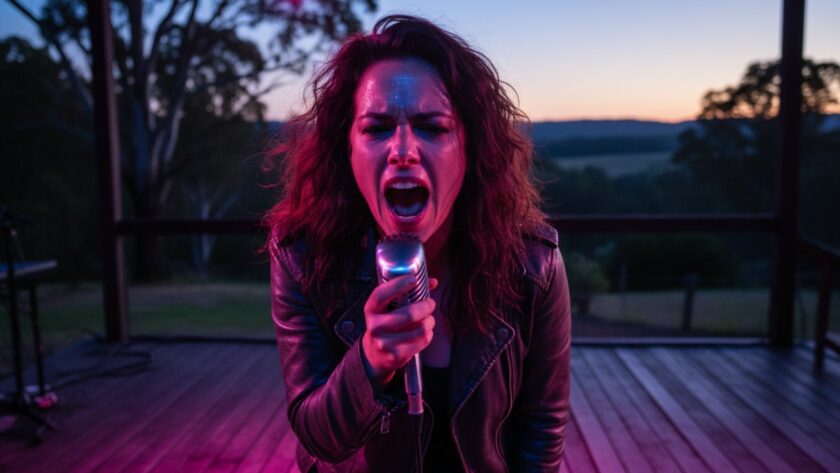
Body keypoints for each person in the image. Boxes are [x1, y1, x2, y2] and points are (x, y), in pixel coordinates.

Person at [265, 14, 571, 473]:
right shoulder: (302, 258)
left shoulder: (534, 264)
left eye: (432, 126)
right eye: (376, 128)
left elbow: (542, 431)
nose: (403, 149)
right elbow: (317, 438)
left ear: (471, 149)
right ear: (346, 149)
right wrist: (370, 362)